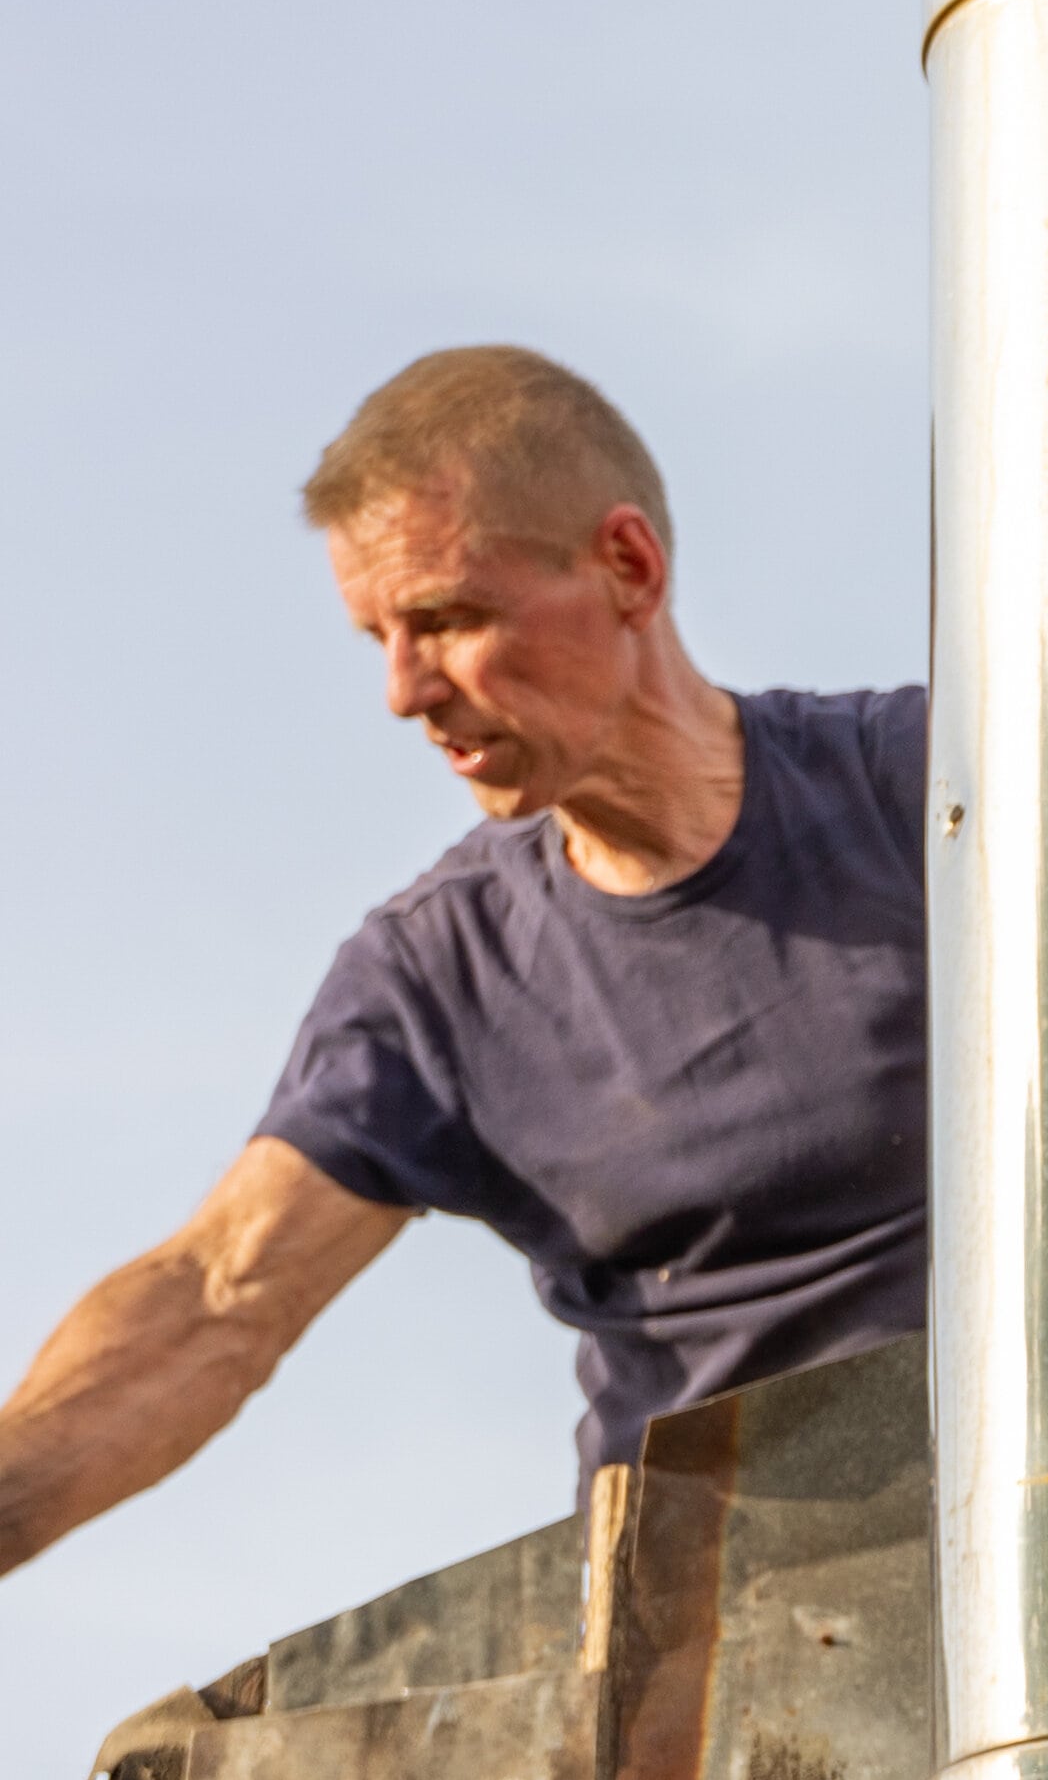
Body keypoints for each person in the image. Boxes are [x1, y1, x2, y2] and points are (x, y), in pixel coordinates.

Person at [0, 350, 940, 1562]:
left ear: (629, 569)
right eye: (377, 635)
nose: (402, 691)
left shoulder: (923, 789)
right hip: (711, 1647)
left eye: (446, 619)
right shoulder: (439, 979)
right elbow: (217, 1295)